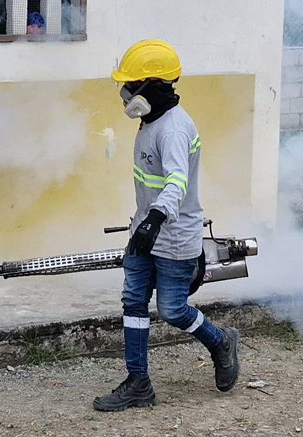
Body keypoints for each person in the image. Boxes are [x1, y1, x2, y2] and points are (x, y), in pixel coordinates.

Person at [93, 39, 241, 412]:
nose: (125, 94)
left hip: (173, 236)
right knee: (133, 301)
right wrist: (143, 226)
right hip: (145, 231)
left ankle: (221, 342)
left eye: (131, 85)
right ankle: (138, 383)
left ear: (155, 87)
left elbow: (177, 182)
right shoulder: (151, 119)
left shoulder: (173, 129)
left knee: (173, 310)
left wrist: (155, 220)